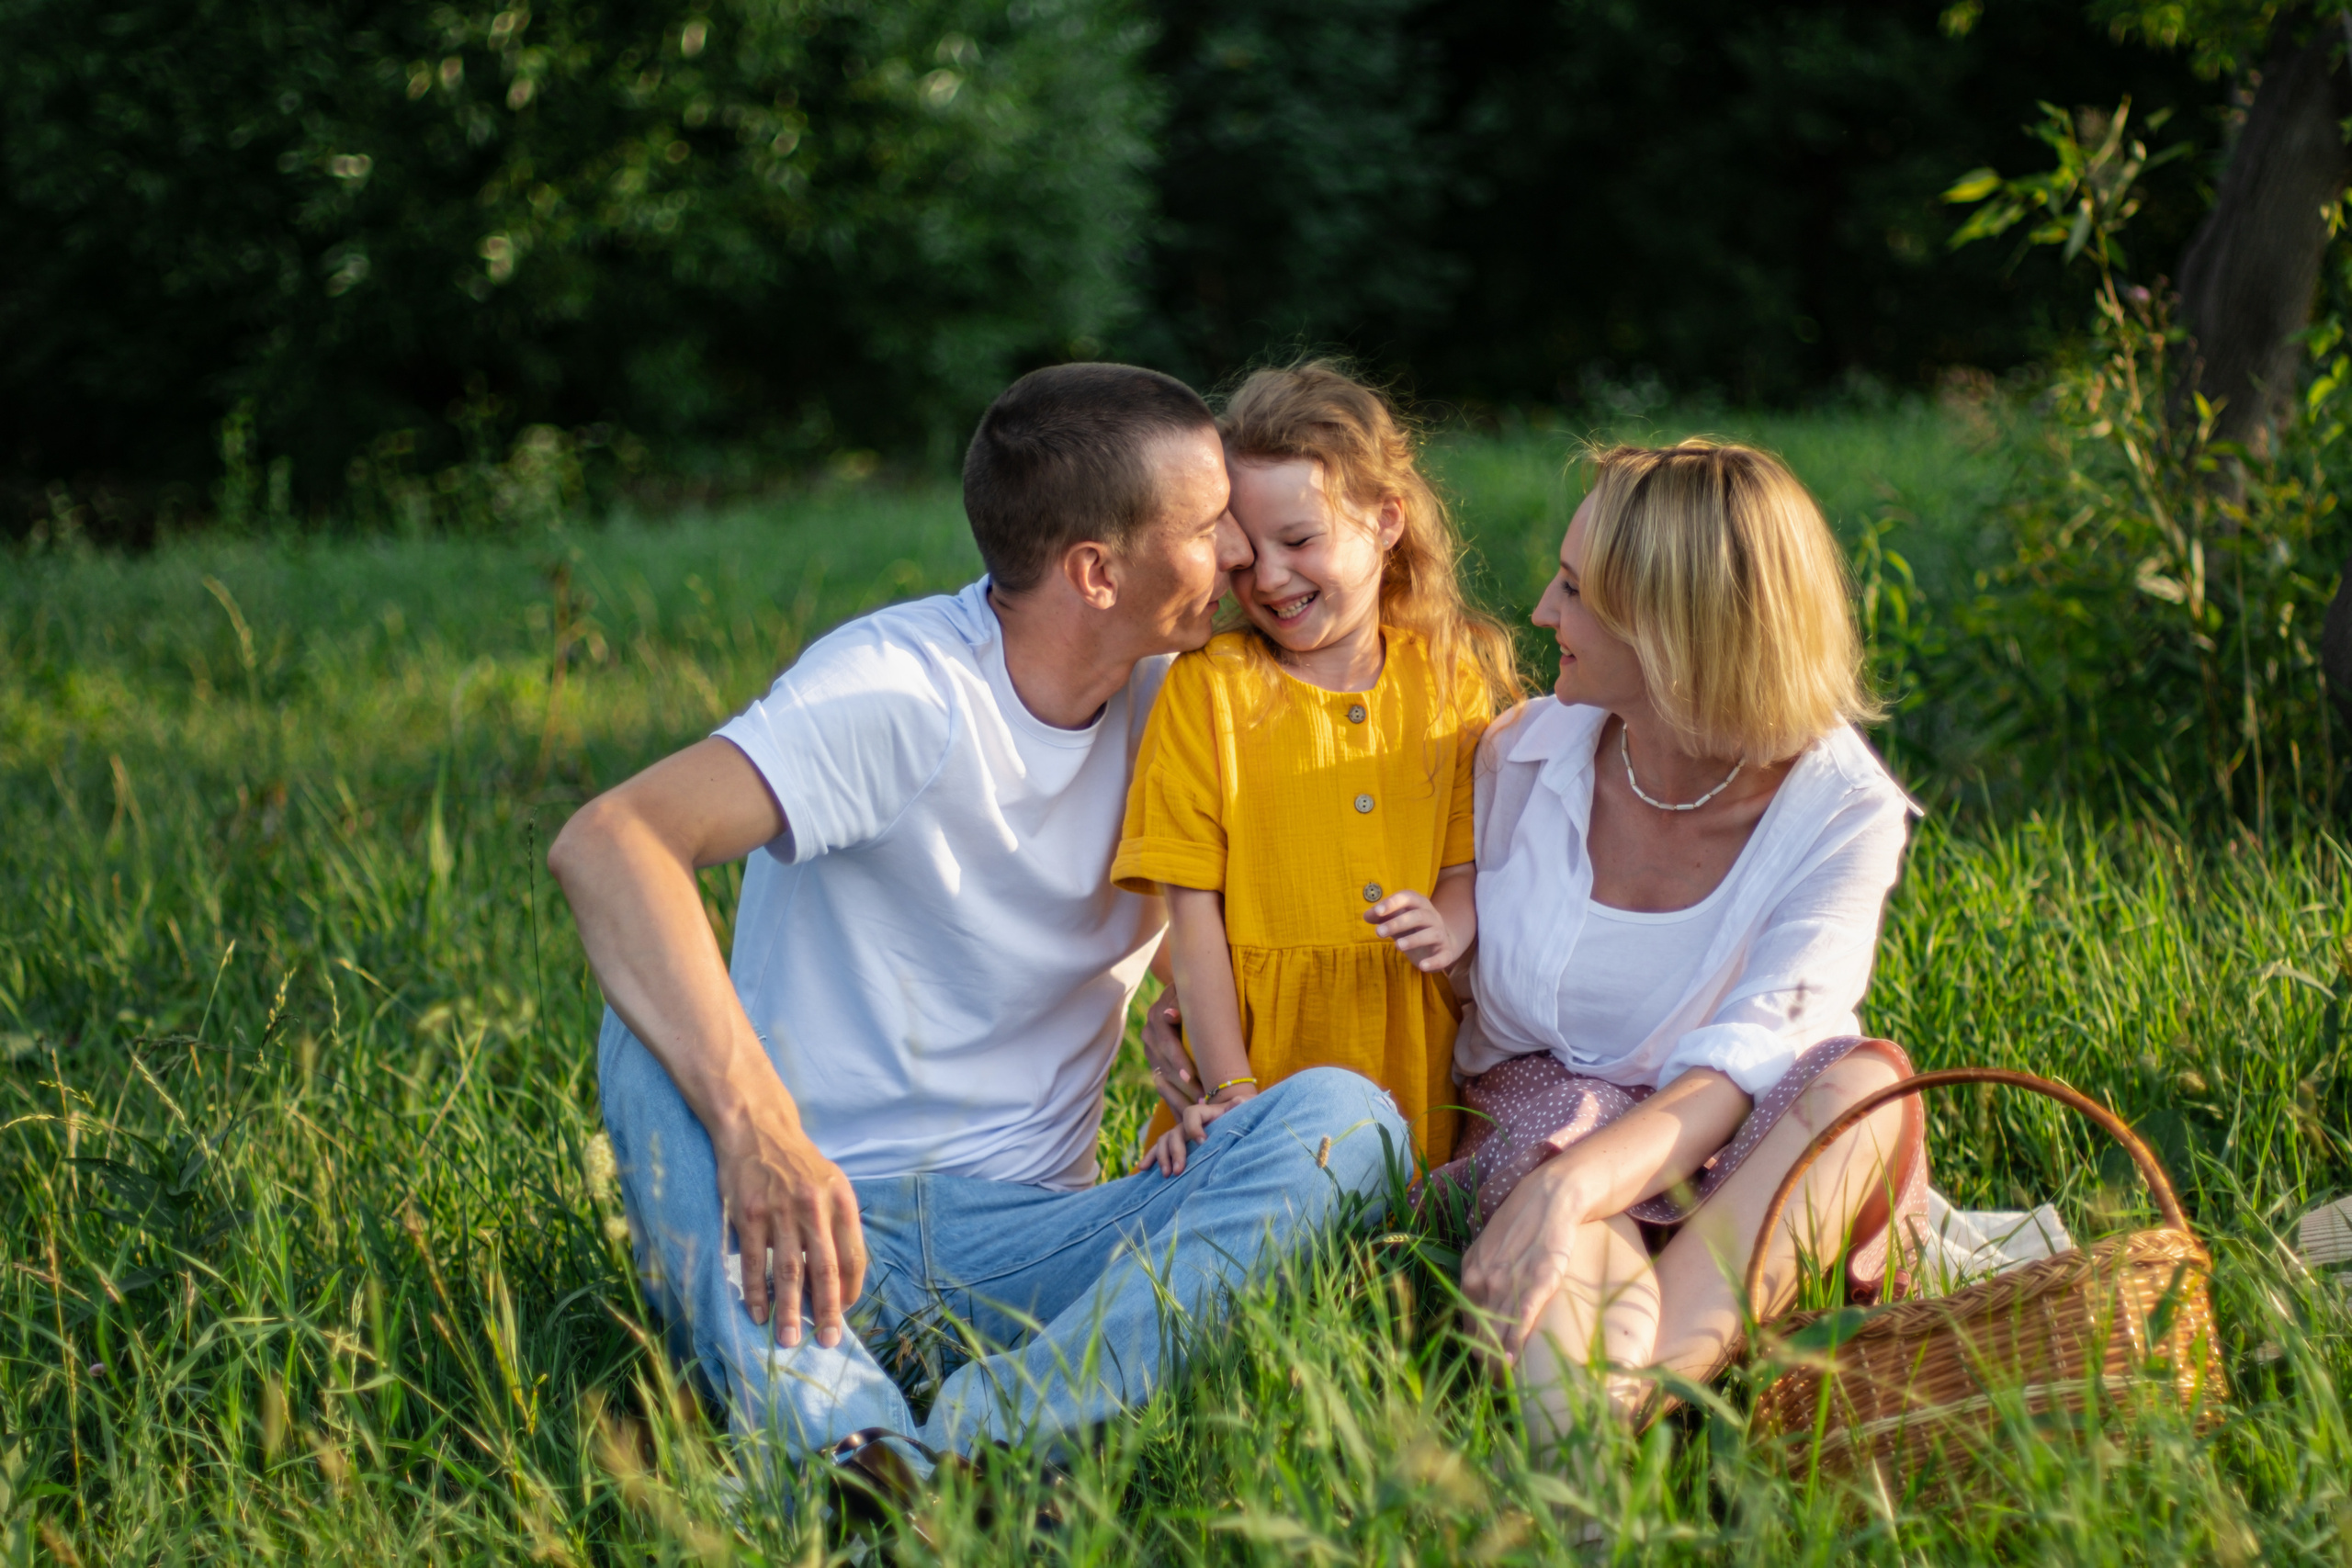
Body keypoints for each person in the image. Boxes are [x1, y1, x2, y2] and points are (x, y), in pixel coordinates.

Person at [548, 363, 1409, 1473]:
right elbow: (608, 842)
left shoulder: (1188, 696)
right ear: (1097, 571)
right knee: (646, 1029)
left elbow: (1389, 742)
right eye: (1211, 527)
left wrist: (1197, 1023)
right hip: (796, 1229)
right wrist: (761, 1137)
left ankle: (987, 1448)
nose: (1244, 553)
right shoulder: (898, 691)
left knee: (1348, 1125)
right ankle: (842, 1450)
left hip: (1039, 1246)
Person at [1431, 439, 1928, 1444]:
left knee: (1865, 1089)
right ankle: (1599, 1464)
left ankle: (1626, 1406)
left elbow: (1754, 1053)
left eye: (1572, 592)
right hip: (1546, 1122)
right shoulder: (1512, 759)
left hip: (1746, 1160)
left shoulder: (1839, 807)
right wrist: (1193, 983)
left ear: (1672, 631)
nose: (1541, 612)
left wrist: (1579, 1180)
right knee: (1565, 1210)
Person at [1114, 361, 1519, 1177]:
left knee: (1387, 1256)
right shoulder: (1210, 688)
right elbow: (1193, 921)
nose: (1268, 577)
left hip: (1408, 1039)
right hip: (1259, 1049)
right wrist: (1231, 1088)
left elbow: (1465, 862)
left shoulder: (1448, 677)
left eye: (1299, 540)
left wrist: (1449, 925)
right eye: (1244, 553)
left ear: (1387, 520)